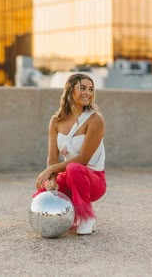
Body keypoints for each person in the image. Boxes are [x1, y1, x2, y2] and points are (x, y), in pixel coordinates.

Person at [33, 73, 106, 235]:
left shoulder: (95, 120)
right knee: (45, 188)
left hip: (93, 180)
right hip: (70, 176)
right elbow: (52, 158)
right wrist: (51, 179)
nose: (88, 92)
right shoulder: (56, 121)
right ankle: (61, 216)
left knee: (74, 168)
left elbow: (83, 159)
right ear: (70, 90)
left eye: (91, 89)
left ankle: (87, 217)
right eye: (83, 88)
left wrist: (49, 171)